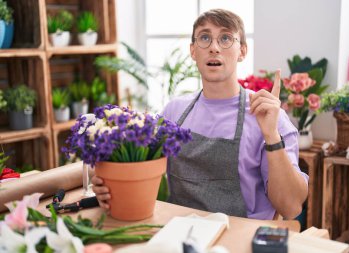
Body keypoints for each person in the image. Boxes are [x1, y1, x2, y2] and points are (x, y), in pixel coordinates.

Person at [92, 9, 308, 220]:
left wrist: (271, 135)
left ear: (242, 51)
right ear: (193, 51)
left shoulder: (269, 116)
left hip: (241, 238)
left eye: (225, 38)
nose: (214, 47)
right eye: (205, 38)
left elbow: (290, 208)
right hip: (180, 232)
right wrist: (108, 185)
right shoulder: (174, 112)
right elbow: (137, 168)